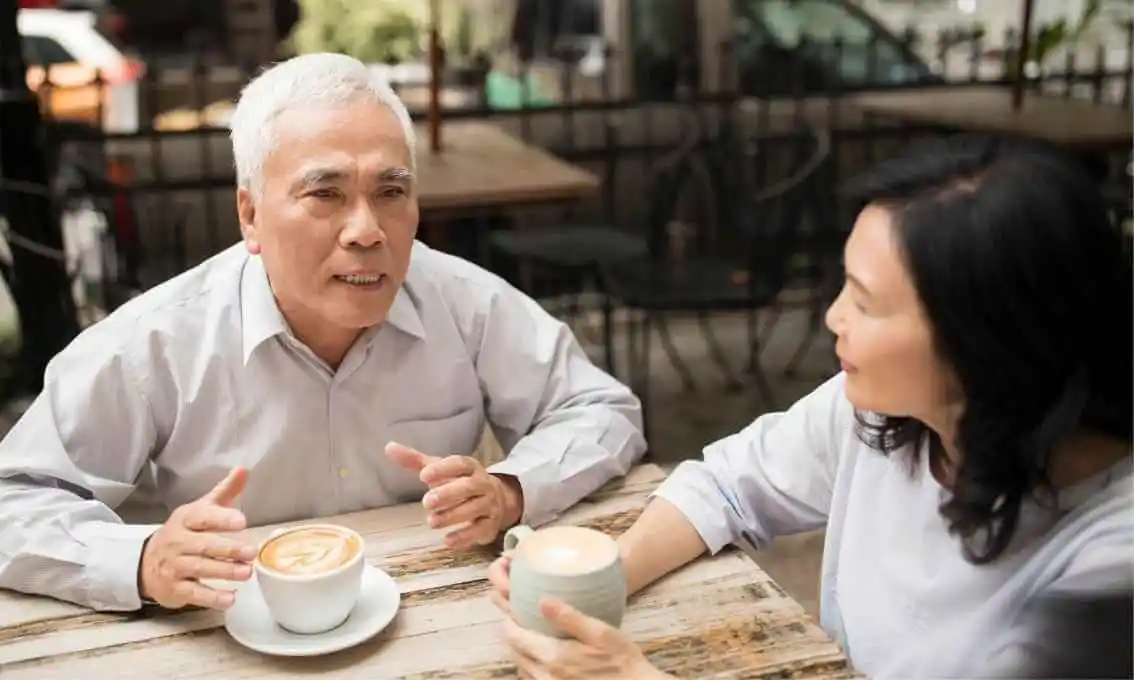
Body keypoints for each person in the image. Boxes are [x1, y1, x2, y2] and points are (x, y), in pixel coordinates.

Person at [0, 53, 645, 614]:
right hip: (226, 631)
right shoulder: (158, 342)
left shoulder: (462, 301)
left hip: (438, 616)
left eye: (390, 190)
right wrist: (141, 561)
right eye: (325, 194)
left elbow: (603, 409)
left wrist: (510, 489)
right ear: (250, 214)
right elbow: (13, 500)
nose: (367, 229)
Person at [488, 135, 1133, 679]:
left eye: (865, 301)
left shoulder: (1108, 568)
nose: (831, 317)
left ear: (983, 340)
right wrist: (592, 587)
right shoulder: (884, 417)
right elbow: (725, 487)